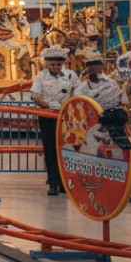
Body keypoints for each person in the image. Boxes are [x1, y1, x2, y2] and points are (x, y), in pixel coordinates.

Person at [30, 46, 78, 196]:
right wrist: (46, 105)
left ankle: (64, 182)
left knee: (65, 149)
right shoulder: (41, 77)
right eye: (52, 64)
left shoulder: (69, 76)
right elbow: (35, 95)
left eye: (58, 64)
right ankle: (53, 182)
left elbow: (75, 93)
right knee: (50, 150)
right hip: (48, 116)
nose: (56, 67)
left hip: (65, 117)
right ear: (46, 63)